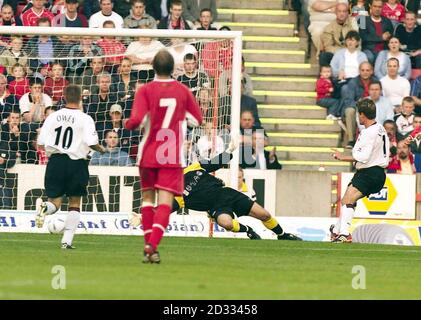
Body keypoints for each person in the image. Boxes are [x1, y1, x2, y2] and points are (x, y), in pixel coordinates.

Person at [124, 50, 203, 263]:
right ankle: (153, 245)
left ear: (153, 68)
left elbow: (136, 121)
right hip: (171, 154)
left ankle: (149, 245)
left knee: (148, 199)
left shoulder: (145, 90)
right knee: (166, 202)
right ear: (173, 68)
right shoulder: (183, 90)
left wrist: (128, 123)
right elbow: (198, 119)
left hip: (149, 153)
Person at [134, 144, 301, 241]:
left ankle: (282, 235)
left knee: (263, 214)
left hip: (226, 194)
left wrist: (229, 150)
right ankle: (248, 230)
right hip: (216, 207)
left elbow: (216, 163)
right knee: (225, 223)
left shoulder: (192, 168)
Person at [35, 84, 106, 249]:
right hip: (77, 163)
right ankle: (66, 242)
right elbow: (92, 142)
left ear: (64, 97)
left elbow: (41, 142)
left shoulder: (53, 116)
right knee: (75, 202)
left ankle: (45, 207)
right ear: (81, 97)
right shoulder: (85, 118)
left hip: (56, 161)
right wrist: (101, 149)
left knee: (55, 202)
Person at [331, 99, 389, 243]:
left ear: (362, 115)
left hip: (370, 173)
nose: (358, 117)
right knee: (346, 200)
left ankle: (344, 234)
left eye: (359, 114)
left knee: (349, 199)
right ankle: (337, 231)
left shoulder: (368, 132)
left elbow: (363, 156)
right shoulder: (380, 128)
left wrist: (342, 157)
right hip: (375, 172)